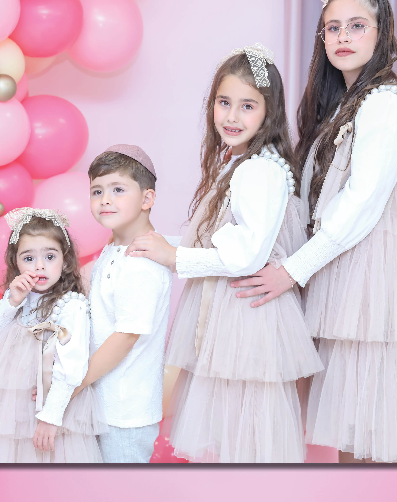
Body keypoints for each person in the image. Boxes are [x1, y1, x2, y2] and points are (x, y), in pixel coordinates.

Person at [229, 0, 397, 463]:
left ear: (381, 33)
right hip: (343, 270)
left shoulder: (385, 103)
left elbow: (361, 202)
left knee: (368, 429)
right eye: (333, 28)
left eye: (357, 25)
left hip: (372, 277)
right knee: (353, 430)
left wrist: (293, 270)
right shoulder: (344, 106)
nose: (343, 37)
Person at [125, 45, 322, 462]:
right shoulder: (239, 162)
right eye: (223, 102)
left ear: (268, 112)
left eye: (247, 106)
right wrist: (165, 246)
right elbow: (218, 240)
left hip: (247, 313)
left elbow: (247, 256)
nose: (232, 116)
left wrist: (175, 257)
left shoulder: (259, 169)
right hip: (234, 309)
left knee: (248, 431)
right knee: (233, 429)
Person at [0, 208, 103, 462]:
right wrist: (12, 302)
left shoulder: (71, 305)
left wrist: (50, 418)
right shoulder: (19, 299)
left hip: (56, 409)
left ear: (65, 261)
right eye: (28, 258)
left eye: (50, 256)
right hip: (19, 409)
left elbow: (72, 368)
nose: (39, 265)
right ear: (16, 263)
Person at [77, 145, 173, 462]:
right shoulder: (116, 246)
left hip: (125, 410)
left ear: (147, 199)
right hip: (106, 401)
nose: (105, 199)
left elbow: (126, 336)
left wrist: (75, 383)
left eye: (118, 189)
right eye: (97, 191)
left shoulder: (141, 262)